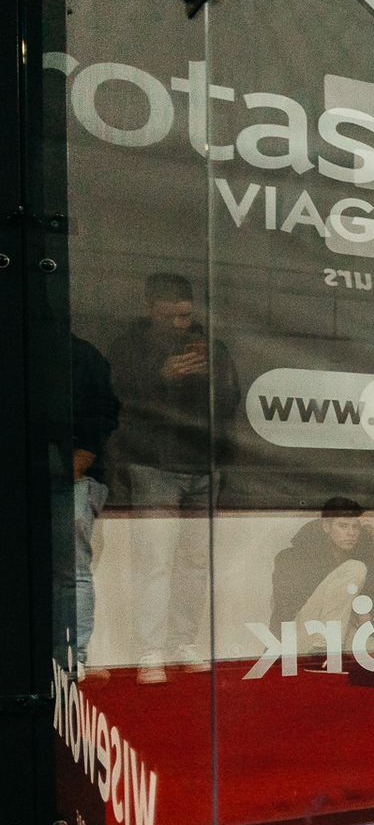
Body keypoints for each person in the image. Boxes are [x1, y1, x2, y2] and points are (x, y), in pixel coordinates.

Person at [110, 272, 238, 683]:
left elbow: (231, 400)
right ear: (151, 308)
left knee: (195, 563)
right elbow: (117, 399)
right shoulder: (130, 347)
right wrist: (160, 377)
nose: (180, 323)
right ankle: (149, 651)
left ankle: (183, 641)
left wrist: (207, 377)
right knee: (155, 562)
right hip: (153, 465)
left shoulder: (211, 347)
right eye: (171, 316)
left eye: (186, 315)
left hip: (203, 464)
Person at [270, 497, 374, 662]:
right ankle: (325, 649)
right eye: (343, 526)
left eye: (355, 526)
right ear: (326, 527)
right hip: (303, 637)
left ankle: (333, 650)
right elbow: (288, 607)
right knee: (355, 568)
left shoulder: (365, 557)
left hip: (346, 634)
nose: (351, 533)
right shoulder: (293, 556)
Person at [60, 335, 119, 681]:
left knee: (73, 570)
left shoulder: (82, 354)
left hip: (76, 475)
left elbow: (104, 412)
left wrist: (82, 457)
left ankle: (74, 657)